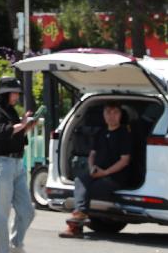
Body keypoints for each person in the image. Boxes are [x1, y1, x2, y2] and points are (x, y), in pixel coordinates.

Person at [59, 101, 133, 239]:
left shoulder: (124, 134)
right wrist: (91, 167)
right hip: (97, 173)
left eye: (115, 112)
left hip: (115, 177)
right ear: (104, 115)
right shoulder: (101, 132)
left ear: (121, 115)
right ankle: (79, 216)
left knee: (88, 190)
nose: (111, 116)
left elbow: (125, 161)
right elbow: (92, 154)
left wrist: (105, 173)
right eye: (108, 112)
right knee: (80, 180)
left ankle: (75, 224)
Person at [0, 76, 35, 253]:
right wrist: (21, 125)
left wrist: (26, 127)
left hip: (17, 164)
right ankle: (3, 251)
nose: (17, 96)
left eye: (17, 92)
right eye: (14, 92)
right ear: (5, 93)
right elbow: (1, 132)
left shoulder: (12, 111)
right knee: (2, 214)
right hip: (2, 164)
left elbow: (16, 136)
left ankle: (15, 245)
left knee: (27, 211)